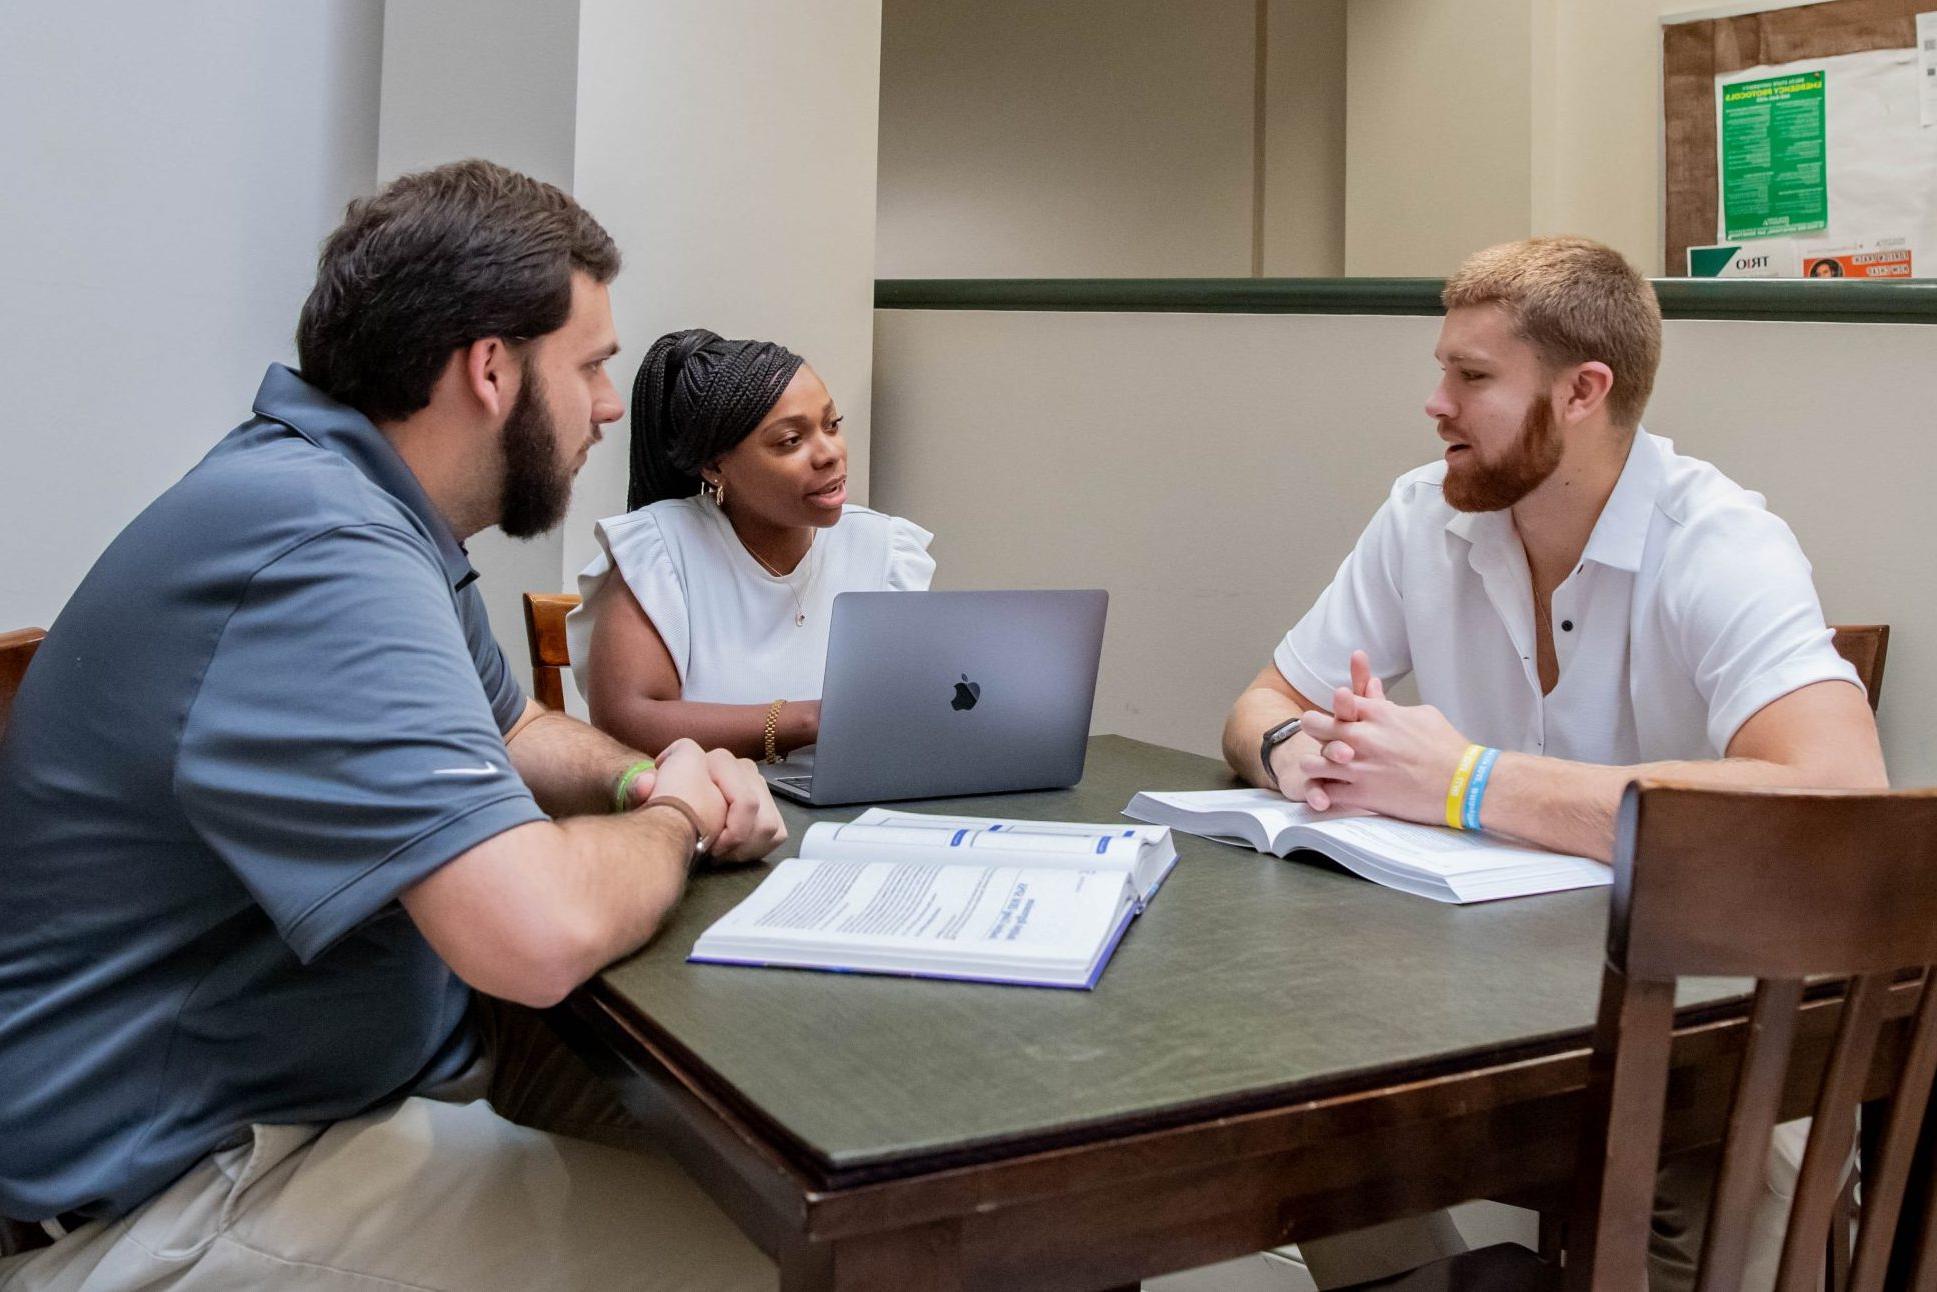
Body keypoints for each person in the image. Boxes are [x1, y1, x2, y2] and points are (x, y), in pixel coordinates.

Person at [0, 160, 784, 1291]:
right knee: (797, 1269)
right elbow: (533, 930)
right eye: (593, 365)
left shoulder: (356, 505)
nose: (612, 405)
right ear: (490, 368)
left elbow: (505, 731)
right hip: (181, 1195)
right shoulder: (320, 549)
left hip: (329, 1112)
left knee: (758, 1186)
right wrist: (671, 819)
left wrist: (638, 774)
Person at [1222, 235, 1884, 1289]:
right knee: (1294, 1115)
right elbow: (1263, 698)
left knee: (1735, 1198)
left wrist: (1462, 781)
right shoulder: (1423, 514)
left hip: (1723, 1028)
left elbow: (1837, 796)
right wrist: (1293, 748)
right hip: (1490, 989)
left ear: (1583, 391)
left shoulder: (1717, 540)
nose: (1434, 403)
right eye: (1441, 368)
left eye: (1470, 377)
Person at [569, 329, 935, 765]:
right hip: (711, 815)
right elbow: (627, 721)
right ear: (715, 466)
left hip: (854, 814)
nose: (829, 454)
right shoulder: (659, 550)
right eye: (790, 441)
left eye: (831, 425)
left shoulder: (884, 548)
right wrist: (805, 722)